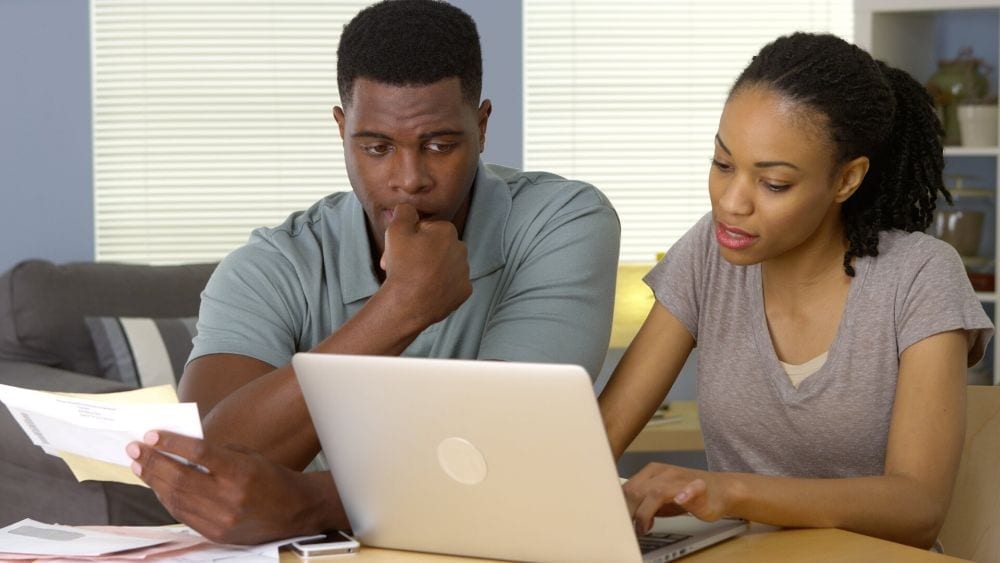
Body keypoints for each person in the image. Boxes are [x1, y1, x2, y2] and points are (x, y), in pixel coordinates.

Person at [125, 0, 620, 545]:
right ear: (342, 129)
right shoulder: (272, 265)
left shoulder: (562, 222)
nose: (409, 179)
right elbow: (202, 473)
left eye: (440, 145)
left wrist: (312, 502)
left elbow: (514, 452)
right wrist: (400, 308)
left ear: (481, 127)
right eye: (377, 147)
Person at [598, 32, 993, 550]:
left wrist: (730, 491)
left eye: (774, 184)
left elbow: (918, 507)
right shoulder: (707, 254)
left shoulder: (920, 276)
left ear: (846, 180)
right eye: (722, 164)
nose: (732, 203)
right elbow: (602, 433)